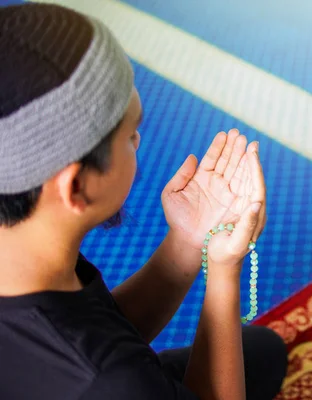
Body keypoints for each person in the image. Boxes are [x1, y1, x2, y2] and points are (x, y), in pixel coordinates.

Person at [0, 3, 287, 400]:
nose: (138, 142)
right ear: (77, 187)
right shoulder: (106, 381)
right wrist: (223, 270)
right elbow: (101, 363)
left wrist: (186, 242)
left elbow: (96, 325)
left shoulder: (24, 246)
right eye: (130, 136)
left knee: (262, 355)